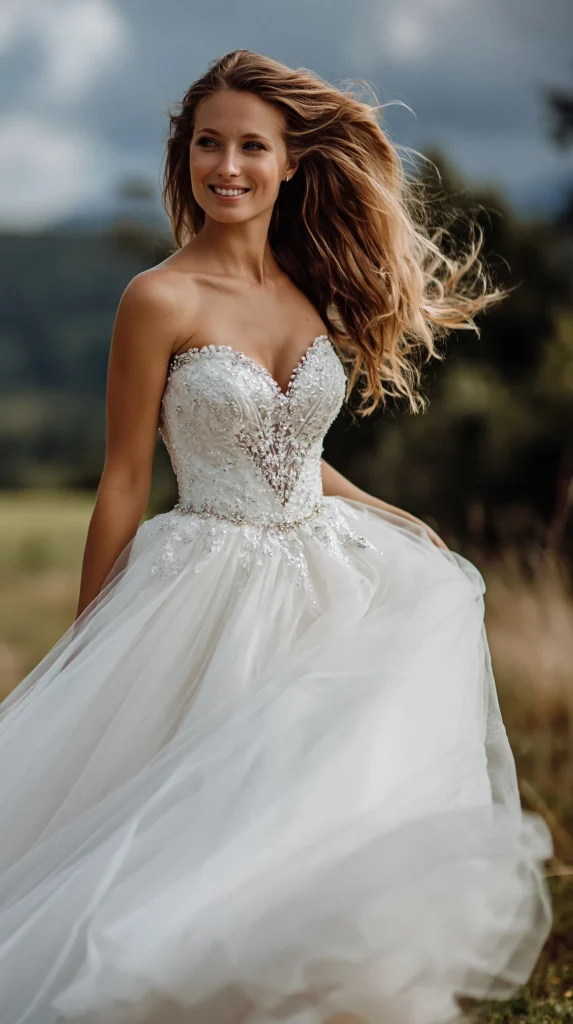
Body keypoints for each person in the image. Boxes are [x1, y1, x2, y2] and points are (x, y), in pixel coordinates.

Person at [0, 49, 552, 1024]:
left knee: (314, 806)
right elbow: (127, 476)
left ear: (290, 160)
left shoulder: (307, 289)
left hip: (323, 571)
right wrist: (90, 643)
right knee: (190, 816)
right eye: (208, 143)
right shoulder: (158, 298)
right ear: (185, 157)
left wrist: (395, 517)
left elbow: (292, 451)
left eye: (251, 146)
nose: (229, 165)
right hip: (203, 582)